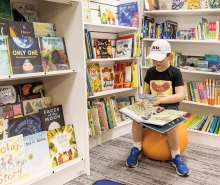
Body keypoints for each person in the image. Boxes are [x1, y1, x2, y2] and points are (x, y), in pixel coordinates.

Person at [126, 39, 190, 177]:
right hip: (152, 105)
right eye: (154, 59)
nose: (156, 62)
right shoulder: (150, 72)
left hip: (170, 106)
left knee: (171, 128)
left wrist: (160, 100)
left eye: (159, 59)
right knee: (136, 121)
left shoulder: (175, 72)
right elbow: (146, 93)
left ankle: (176, 156)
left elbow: (180, 96)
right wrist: (142, 100)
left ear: (169, 56)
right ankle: (136, 149)